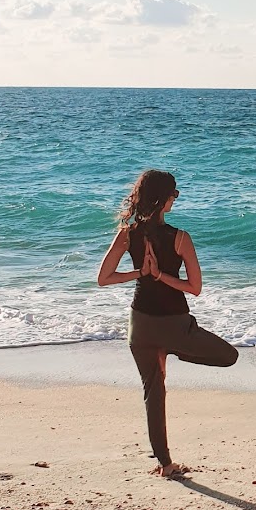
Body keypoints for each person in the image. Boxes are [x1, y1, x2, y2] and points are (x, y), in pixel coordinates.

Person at [97, 169, 238, 479]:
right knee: (229, 356)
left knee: (154, 392)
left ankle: (166, 464)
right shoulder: (180, 238)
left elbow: (103, 279)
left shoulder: (127, 234)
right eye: (175, 193)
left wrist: (142, 274)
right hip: (175, 325)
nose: (176, 198)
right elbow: (195, 288)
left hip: (141, 326)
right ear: (163, 199)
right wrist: (161, 275)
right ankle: (176, 350)